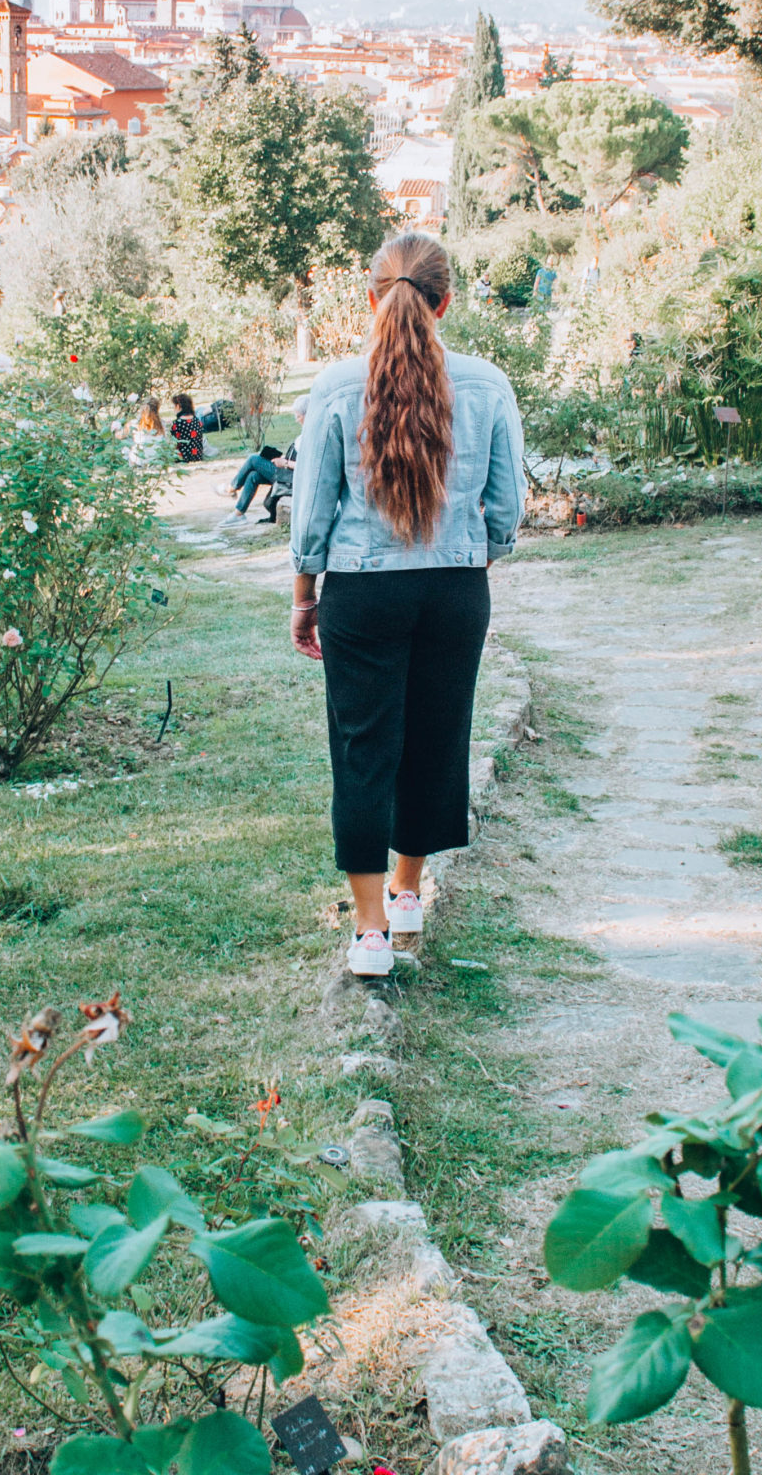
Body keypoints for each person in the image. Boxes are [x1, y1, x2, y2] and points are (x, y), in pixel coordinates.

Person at [289, 232, 526, 978]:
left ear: (370, 298)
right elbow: (506, 508)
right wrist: (466, 558)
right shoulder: (487, 383)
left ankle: (368, 935)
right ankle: (408, 891)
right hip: (456, 591)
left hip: (362, 591)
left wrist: (305, 595)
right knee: (434, 737)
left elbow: (312, 511)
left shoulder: (334, 385)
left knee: (364, 753)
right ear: (445, 300)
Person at [220, 396, 307, 523]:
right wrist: (282, 458)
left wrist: (285, 463)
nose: (296, 420)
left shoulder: (311, 435)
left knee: (253, 459)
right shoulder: (306, 431)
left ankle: (231, 488)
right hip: (287, 469)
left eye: (298, 416)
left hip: (292, 476)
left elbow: (306, 465)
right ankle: (238, 514)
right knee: (253, 475)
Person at [169, 393, 205, 463]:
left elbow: (174, 443)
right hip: (197, 456)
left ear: (178, 406)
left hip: (183, 458)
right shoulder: (197, 421)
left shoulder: (177, 424)